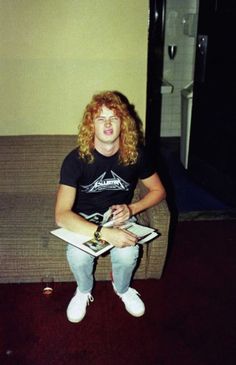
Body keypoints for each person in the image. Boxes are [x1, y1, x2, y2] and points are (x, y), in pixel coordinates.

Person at [55, 91, 166, 323]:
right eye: (100, 118)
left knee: (128, 252)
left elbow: (159, 191)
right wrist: (104, 233)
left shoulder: (136, 156)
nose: (107, 123)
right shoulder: (75, 160)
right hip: (85, 217)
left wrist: (132, 209)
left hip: (119, 216)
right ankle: (84, 290)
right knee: (77, 254)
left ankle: (122, 288)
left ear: (122, 123)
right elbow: (62, 215)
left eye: (113, 117)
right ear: (91, 126)